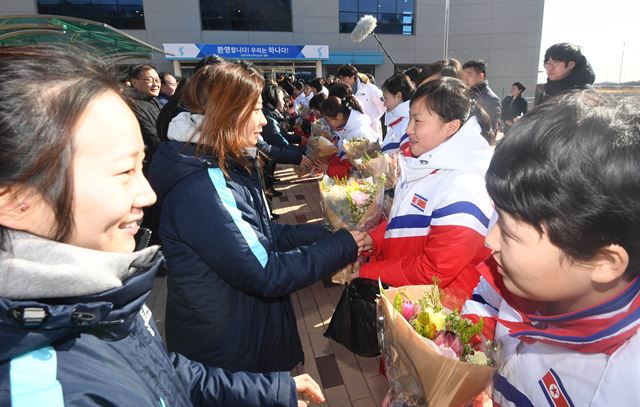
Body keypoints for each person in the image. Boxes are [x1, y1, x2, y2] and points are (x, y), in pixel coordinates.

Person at [0, 43, 325, 407]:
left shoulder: (95, 299)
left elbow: (155, 370)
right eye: (124, 171)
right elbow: (264, 270)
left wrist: (268, 392)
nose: (147, 194)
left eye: (141, 165)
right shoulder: (41, 389)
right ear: (15, 201)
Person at [148, 60, 366, 373]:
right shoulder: (204, 185)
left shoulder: (221, 163)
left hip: (240, 329)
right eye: (254, 110)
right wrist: (343, 245)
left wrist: (331, 233)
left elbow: (265, 235)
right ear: (225, 113)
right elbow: (265, 271)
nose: (263, 121)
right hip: (228, 349)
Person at [461, 91, 640, 406]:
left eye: (511, 233)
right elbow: (482, 306)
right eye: (496, 217)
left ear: (604, 261)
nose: (489, 240)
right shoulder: (516, 278)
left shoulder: (621, 387)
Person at [355, 78, 494, 301]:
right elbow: (408, 221)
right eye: (410, 118)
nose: (408, 130)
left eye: (417, 121)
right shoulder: (424, 164)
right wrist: (375, 240)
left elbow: (434, 271)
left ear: (451, 127)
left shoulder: (465, 186)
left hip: (442, 315)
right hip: (411, 298)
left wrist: (364, 273)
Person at [320, 94, 381, 179]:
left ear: (339, 116)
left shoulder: (358, 133)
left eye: (328, 120)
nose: (327, 124)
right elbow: (343, 158)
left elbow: (354, 169)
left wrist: (329, 168)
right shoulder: (345, 129)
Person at [127, 64, 163, 167]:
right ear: (134, 82)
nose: (155, 85)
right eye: (149, 80)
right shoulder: (133, 105)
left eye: (157, 80)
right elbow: (152, 137)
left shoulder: (155, 101)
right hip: (150, 163)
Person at [337, 64, 385, 135]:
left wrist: (373, 119)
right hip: (353, 131)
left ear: (352, 77)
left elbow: (383, 105)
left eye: (343, 78)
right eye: (340, 79)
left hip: (371, 129)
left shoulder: (369, 88)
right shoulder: (343, 92)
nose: (341, 81)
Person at [462, 60, 501, 140]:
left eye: (469, 76)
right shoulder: (464, 94)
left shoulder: (491, 98)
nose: (465, 80)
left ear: (481, 76)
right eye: (463, 76)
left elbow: (491, 131)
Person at [381, 73, 414, 154]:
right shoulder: (399, 120)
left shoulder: (407, 122)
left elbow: (407, 158)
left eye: (385, 98)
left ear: (398, 96)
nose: (384, 104)